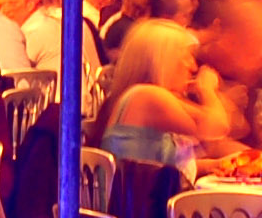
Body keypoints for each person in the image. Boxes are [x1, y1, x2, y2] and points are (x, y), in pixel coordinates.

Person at [95, 18, 230, 171]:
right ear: (164, 61)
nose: (193, 67)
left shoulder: (143, 96)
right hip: (133, 188)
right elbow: (217, 127)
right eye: (186, 57)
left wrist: (216, 165)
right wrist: (207, 89)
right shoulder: (148, 96)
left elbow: (168, 166)